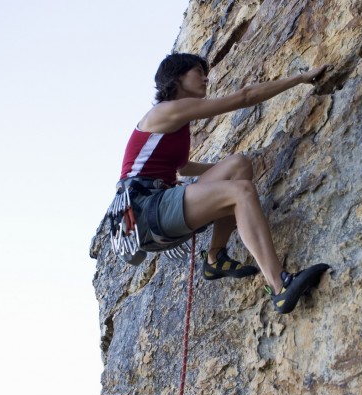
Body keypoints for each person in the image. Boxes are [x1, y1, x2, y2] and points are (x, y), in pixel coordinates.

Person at [118, 52, 330, 313]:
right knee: (241, 192)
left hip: (157, 208)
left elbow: (183, 168)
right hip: (144, 210)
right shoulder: (167, 110)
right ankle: (280, 287)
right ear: (177, 78)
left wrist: (220, 175)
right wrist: (300, 78)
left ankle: (215, 257)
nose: (206, 78)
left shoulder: (178, 124)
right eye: (198, 71)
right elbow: (245, 97)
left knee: (238, 165)